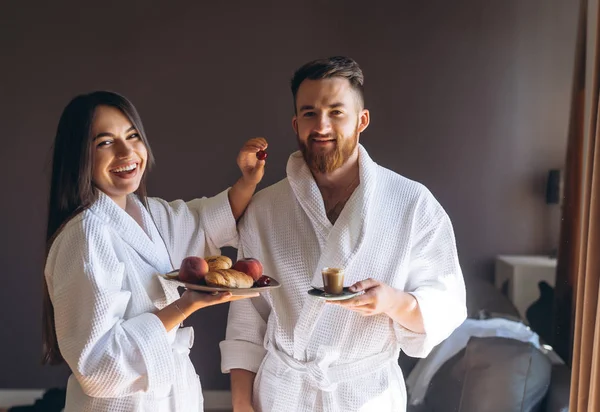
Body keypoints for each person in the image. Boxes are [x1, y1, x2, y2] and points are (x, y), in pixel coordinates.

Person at [220, 56, 467, 412]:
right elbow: (247, 318)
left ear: (361, 120)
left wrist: (392, 302)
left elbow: (446, 303)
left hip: (365, 396)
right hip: (283, 393)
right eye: (309, 113)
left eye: (336, 112)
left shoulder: (412, 204)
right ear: (296, 123)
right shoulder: (265, 208)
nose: (321, 125)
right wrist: (242, 404)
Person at [42, 91, 267, 411]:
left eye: (132, 135)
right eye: (105, 142)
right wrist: (186, 305)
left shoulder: (150, 213)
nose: (126, 151)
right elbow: (97, 366)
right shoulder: (86, 235)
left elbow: (205, 223)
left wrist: (248, 180)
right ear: (78, 155)